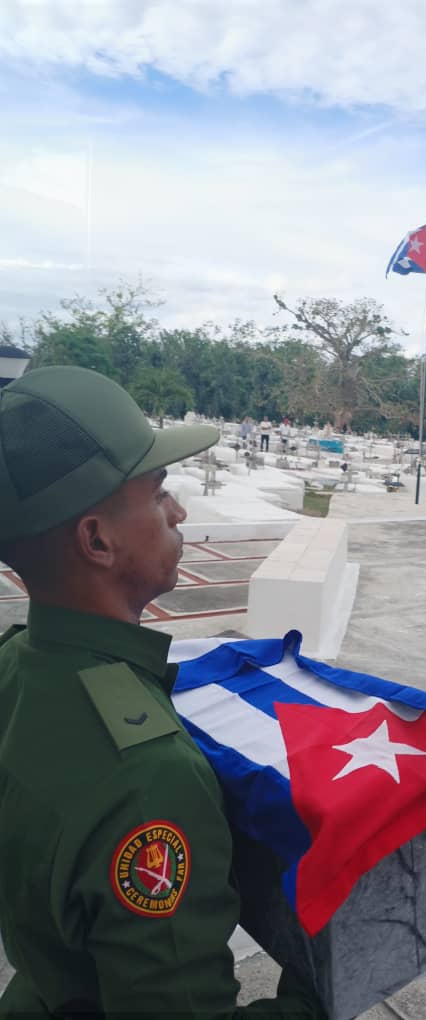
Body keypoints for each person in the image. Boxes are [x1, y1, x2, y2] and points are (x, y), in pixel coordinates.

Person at [0, 367, 326, 1019]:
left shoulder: (13, 663)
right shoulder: (149, 777)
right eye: (157, 493)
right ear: (97, 539)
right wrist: (323, 989)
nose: (178, 512)